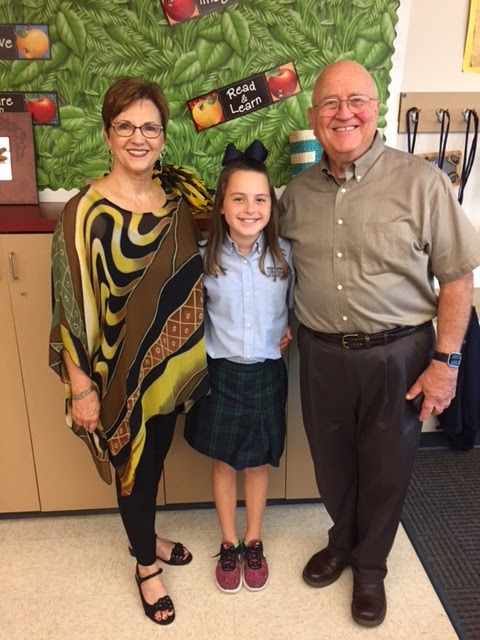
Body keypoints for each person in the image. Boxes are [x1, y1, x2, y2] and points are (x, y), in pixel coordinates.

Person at [278, 60, 480, 627]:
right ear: (314, 116)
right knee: (331, 463)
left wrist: (446, 363)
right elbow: (281, 270)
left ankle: (370, 567)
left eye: (356, 101)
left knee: (387, 468)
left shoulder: (423, 183)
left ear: (376, 110)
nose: (343, 113)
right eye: (330, 103)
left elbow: (458, 278)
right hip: (320, 355)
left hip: (399, 355)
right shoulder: (295, 195)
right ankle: (342, 541)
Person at [49, 77, 211, 625]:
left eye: (150, 128)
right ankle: (146, 566)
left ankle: (144, 535)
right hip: (112, 375)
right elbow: (69, 309)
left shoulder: (176, 204)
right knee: (133, 468)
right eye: (125, 126)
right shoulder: (83, 214)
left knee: (154, 459)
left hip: (163, 370)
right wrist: (81, 388)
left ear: (163, 136)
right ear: (107, 134)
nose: (138, 138)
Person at [184, 141, 294, 594]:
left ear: (271, 205)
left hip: (267, 372)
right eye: (239, 199)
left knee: (258, 462)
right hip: (221, 374)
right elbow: (191, 316)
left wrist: (294, 329)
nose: (250, 209)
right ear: (222, 206)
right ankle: (228, 542)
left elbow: (299, 305)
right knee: (225, 461)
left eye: (260, 199)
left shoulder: (285, 255)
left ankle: (254, 540)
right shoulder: (205, 256)